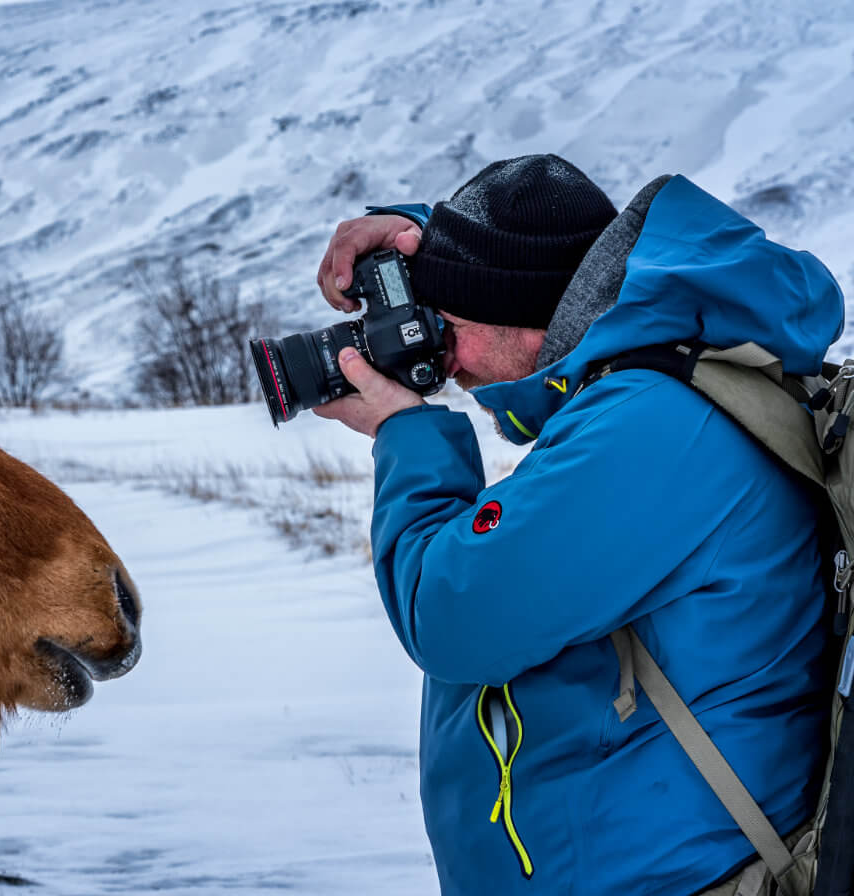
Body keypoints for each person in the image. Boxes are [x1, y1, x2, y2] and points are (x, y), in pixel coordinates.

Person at [312, 154, 839, 895]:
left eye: (447, 326)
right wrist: (426, 243)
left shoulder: (653, 428)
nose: (443, 359)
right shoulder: (637, 384)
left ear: (524, 318)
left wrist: (409, 436)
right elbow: (537, 269)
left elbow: (454, 615)